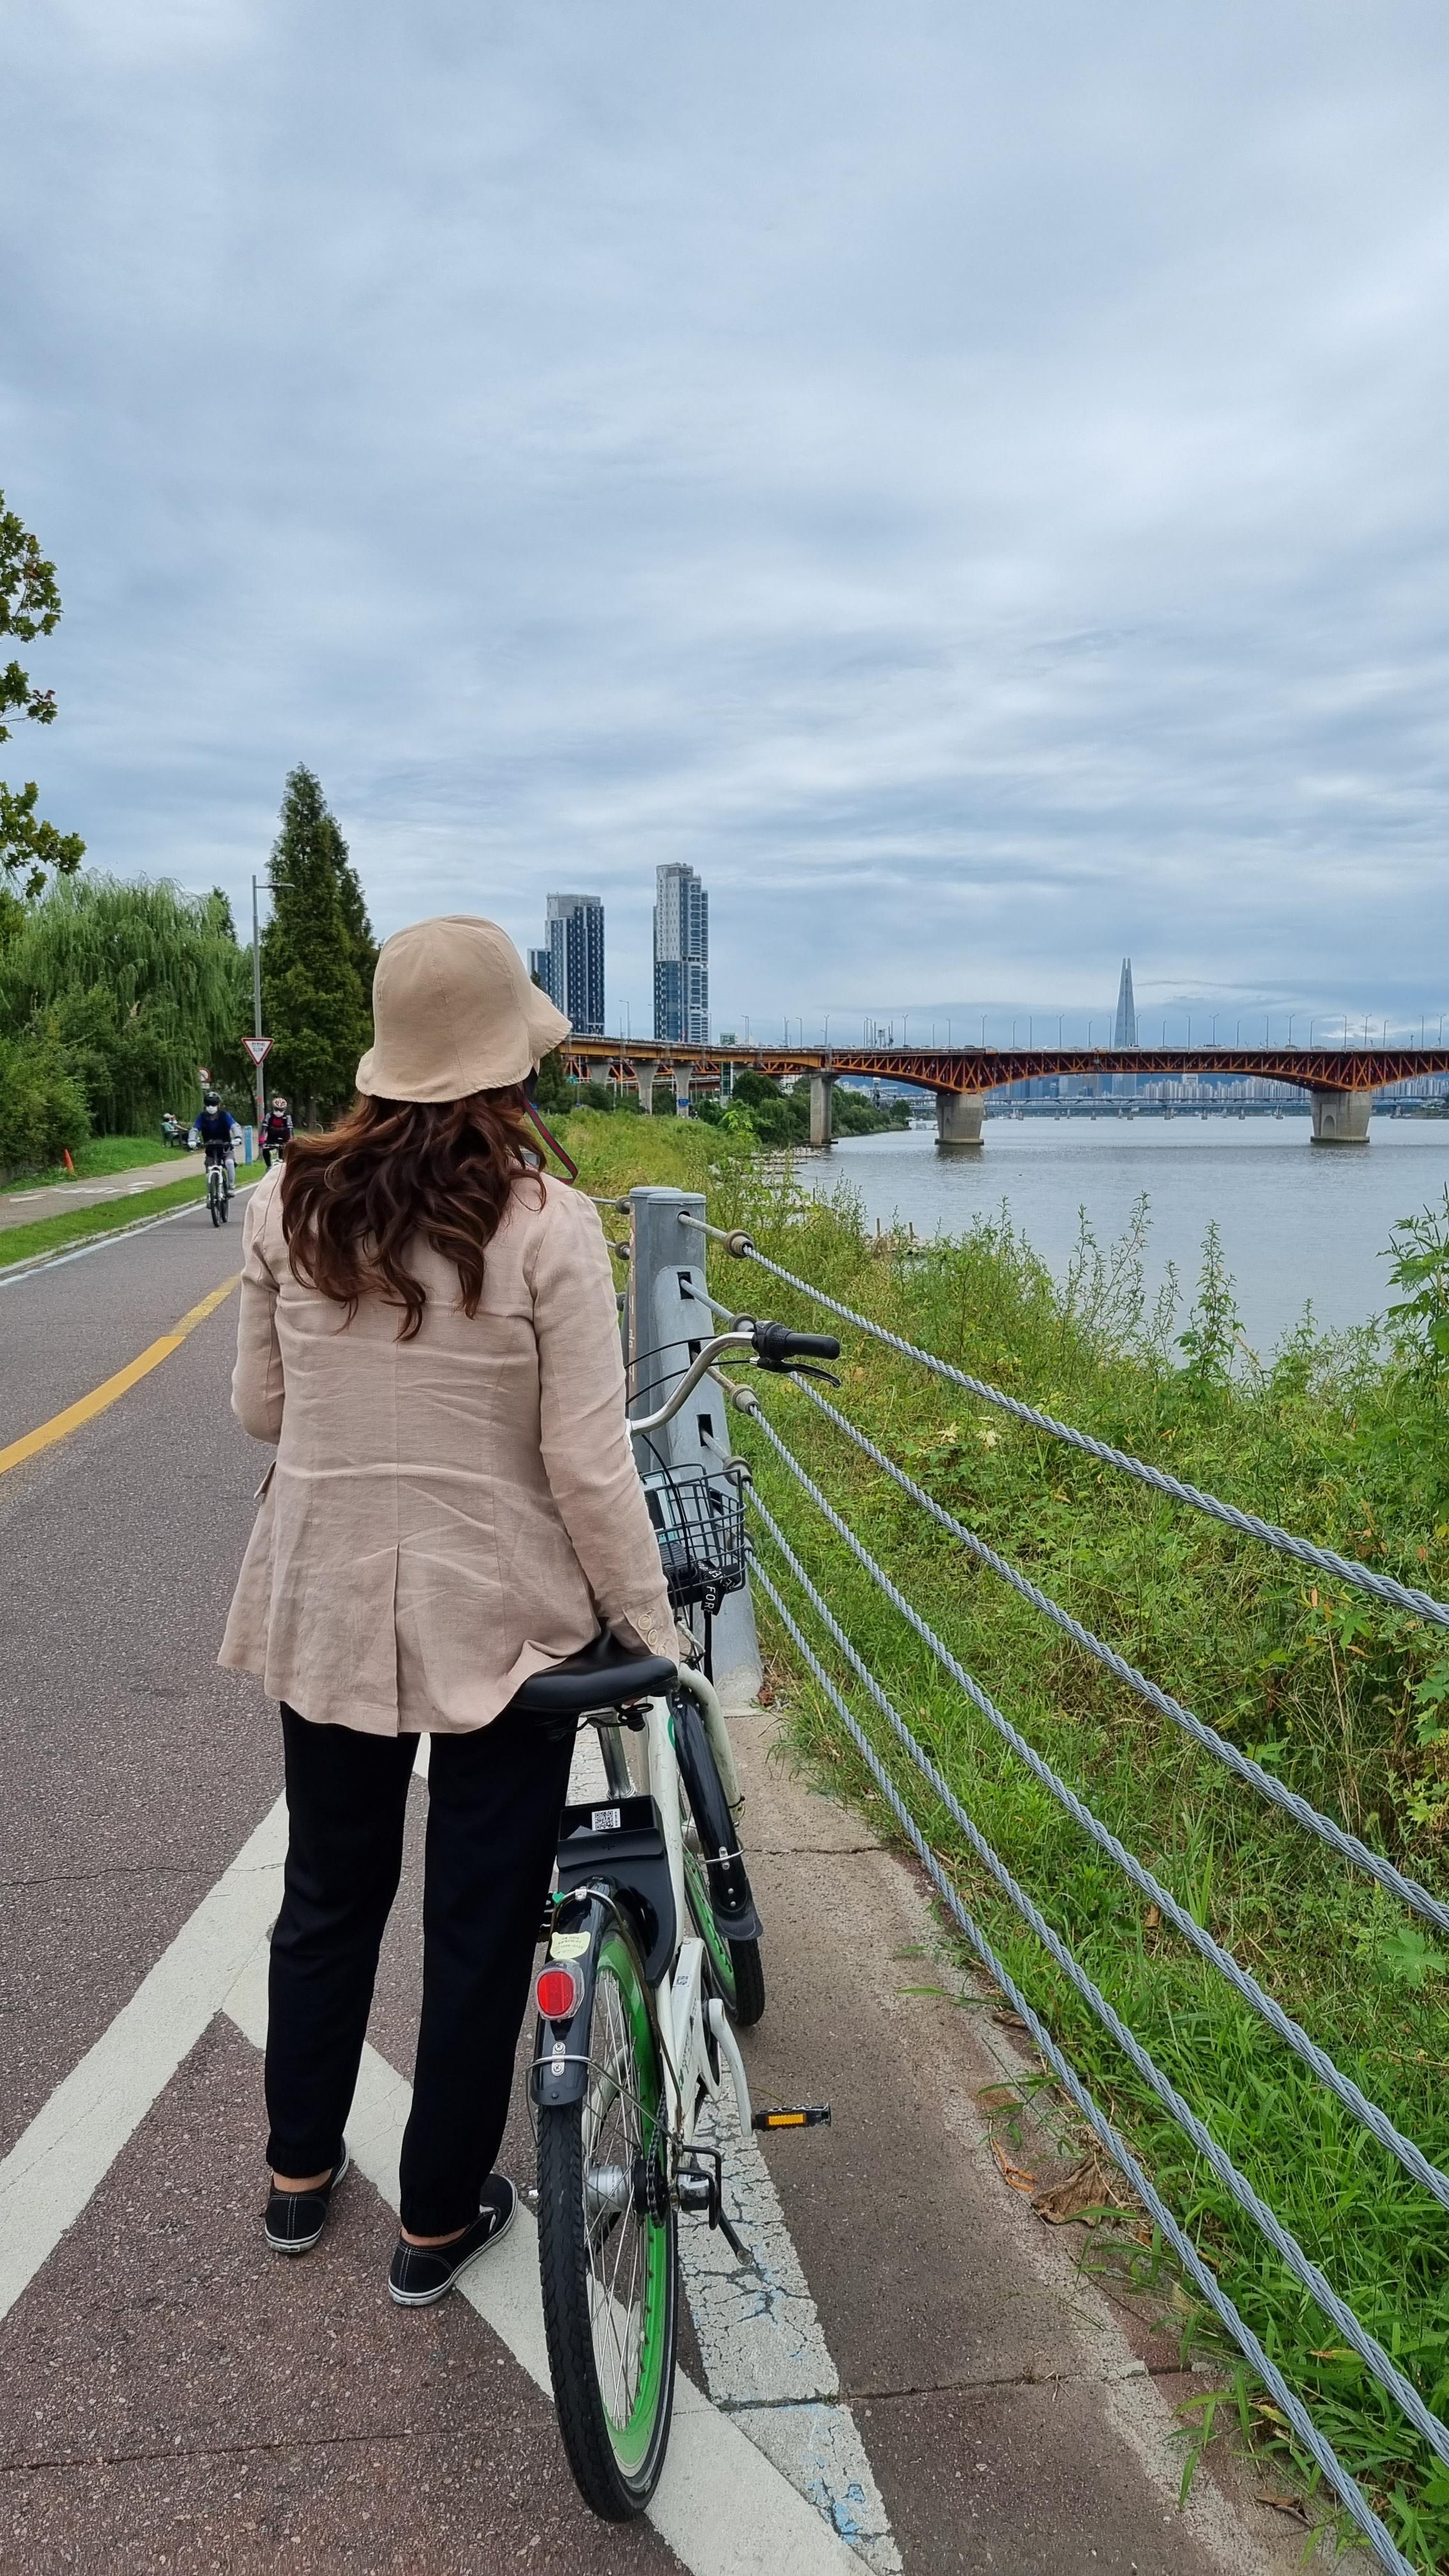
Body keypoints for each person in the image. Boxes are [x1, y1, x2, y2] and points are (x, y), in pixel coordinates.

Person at [218, 916, 681, 2306]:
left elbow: (259, 1411)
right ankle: (434, 2219)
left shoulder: (284, 1204)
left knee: (327, 1893)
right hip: (506, 1619)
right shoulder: (548, 1227)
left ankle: (298, 2176)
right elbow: (586, 1464)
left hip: (327, 1598)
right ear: (507, 1066)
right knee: (479, 1921)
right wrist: (651, 1630)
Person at [195, 1090, 241, 1195]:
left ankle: (231, 1186)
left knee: (229, 1163)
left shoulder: (225, 1115)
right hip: (210, 1149)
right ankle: (210, 1193)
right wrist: (192, 1140)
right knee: (209, 1170)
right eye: (208, 1105)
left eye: (214, 1105)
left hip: (225, 1148)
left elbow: (234, 1126)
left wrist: (237, 1137)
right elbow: (195, 1129)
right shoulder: (202, 1117)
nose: (211, 1107)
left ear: (219, 1105)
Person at [260, 1095, 293, 1169]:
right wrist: (262, 1141)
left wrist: (291, 1142)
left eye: (281, 1110)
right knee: (265, 1150)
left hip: (284, 1138)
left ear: (284, 1110)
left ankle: (284, 1168)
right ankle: (269, 1167)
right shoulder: (269, 1116)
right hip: (272, 1138)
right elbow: (264, 1129)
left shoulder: (287, 1117)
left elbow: (290, 1130)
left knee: (284, 1156)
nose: (278, 1112)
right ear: (273, 1108)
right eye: (277, 1109)